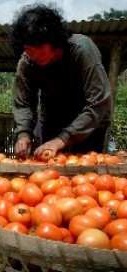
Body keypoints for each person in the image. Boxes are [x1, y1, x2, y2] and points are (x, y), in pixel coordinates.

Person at [9, 3, 112, 160]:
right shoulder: (27, 61)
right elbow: (23, 103)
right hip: (52, 122)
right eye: (29, 49)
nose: (35, 54)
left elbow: (99, 101)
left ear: (54, 41)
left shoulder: (82, 50)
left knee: (86, 174)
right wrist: (24, 133)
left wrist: (63, 139)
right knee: (49, 173)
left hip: (89, 125)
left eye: (41, 47)